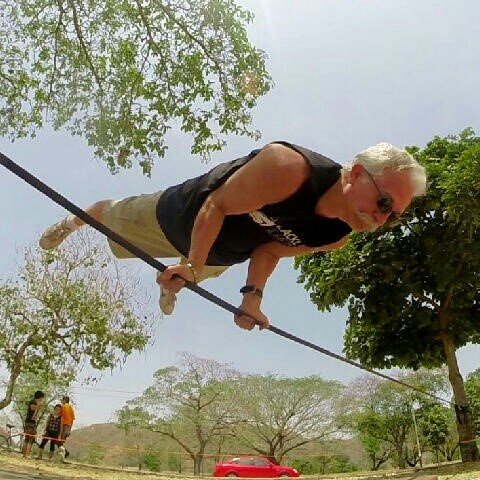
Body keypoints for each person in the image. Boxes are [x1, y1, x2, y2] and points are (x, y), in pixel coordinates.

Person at [39, 141, 426, 330]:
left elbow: (270, 249)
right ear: (356, 173)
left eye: (392, 216)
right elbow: (217, 207)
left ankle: (175, 278)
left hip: (218, 256)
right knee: (108, 214)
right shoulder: (288, 167)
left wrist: (252, 298)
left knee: (184, 277)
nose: (381, 217)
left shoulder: (336, 235)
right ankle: (71, 224)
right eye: (384, 200)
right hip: (177, 218)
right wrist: (192, 261)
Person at [22, 390, 45, 458]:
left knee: (28, 438)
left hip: (32, 422)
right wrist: (38, 406)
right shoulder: (33, 401)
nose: (42, 399)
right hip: (30, 422)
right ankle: (27, 454)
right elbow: (32, 408)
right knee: (30, 438)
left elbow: (36, 413)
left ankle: (25, 454)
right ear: (40, 397)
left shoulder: (36, 402)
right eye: (42, 397)